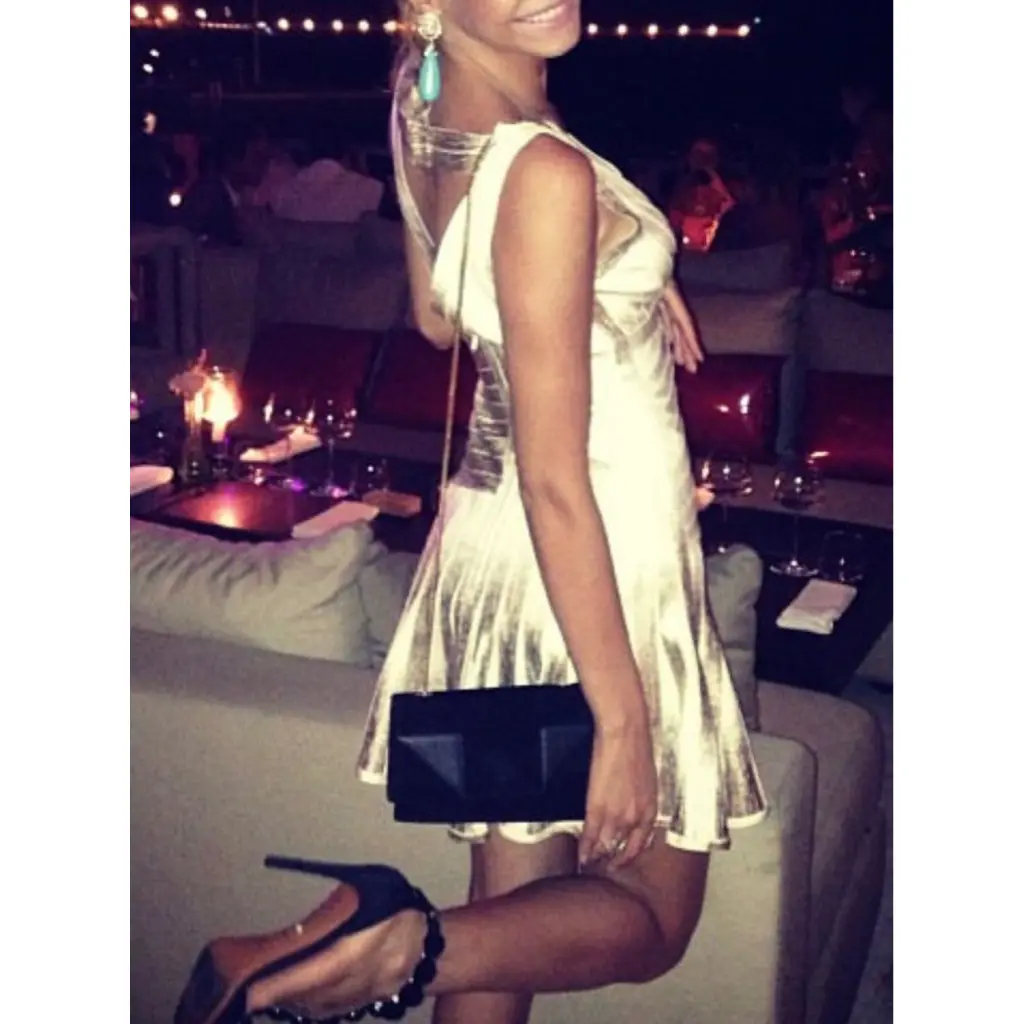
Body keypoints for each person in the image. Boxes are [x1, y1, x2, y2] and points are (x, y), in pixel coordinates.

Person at [175, 3, 766, 1022]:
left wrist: (619, 283)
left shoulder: (431, 110)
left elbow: (440, 315)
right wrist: (621, 718)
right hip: (589, 555)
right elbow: (554, 476)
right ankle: (385, 941)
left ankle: (376, 943)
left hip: (501, 558)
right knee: (652, 917)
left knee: (513, 926)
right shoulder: (542, 169)